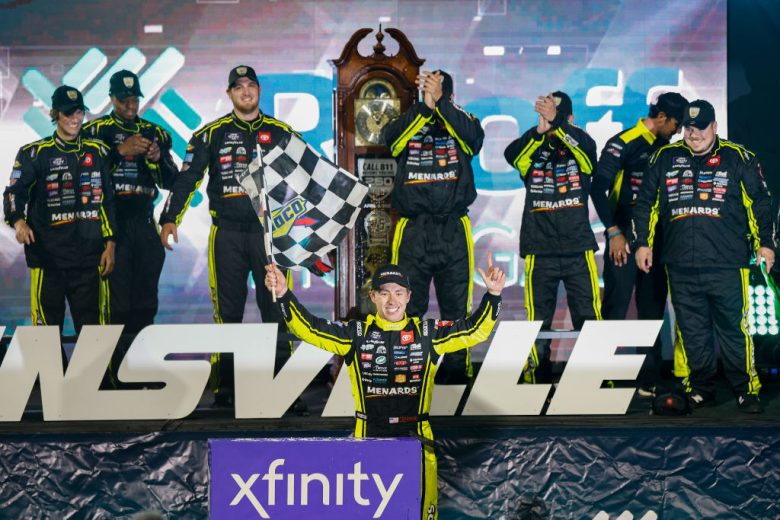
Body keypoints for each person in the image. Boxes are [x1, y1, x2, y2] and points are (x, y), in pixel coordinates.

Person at [264, 257, 505, 520]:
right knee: (372, 513)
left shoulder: (428, 333)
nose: (392, 300)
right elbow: (310, 329)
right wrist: (284, 294)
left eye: (399, 293)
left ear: (408, 296)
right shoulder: (355, 333)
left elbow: (475, 331)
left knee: (421, 514)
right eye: (385, 293)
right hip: (370, 435)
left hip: (416, 437)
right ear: (373, 296)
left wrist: (493, 295)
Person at [159, 65, 298, 407]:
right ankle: (224, 389)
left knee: (279, 309)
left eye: (251, 85)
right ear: (229, 93)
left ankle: (286, 388)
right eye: (238, 87)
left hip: (270, 235)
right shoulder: (211, 134)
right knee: (227, 312)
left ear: (259, 90)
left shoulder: (281, 132)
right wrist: (170, 218)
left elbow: (308, 178)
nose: (246, 91)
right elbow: (187, 178)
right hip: (227, 235)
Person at [633, 99, 774, 413]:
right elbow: (646, 203)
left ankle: (746, 390)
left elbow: (760, 203)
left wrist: (766, 243)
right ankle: (700, 389)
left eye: (699, 128)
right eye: (688, 128)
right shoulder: (665, 157)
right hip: (679, 262)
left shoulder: (738, 157)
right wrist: (642, 243)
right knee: (691, 331)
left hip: (728, 262)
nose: (693, 134)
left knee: (734, 329)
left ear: (714, 126)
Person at [381, 69, 485, 384]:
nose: (432, 93)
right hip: (413, 228)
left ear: (449, 94)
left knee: (456, 308)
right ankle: (407, 375)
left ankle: (456, 375)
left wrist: (442, 105)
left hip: (453, 226)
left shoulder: (464, 119)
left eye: (437, 89)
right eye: (427, 88)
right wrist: (425, 107)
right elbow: (391, 141)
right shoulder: (409, 120)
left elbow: (473, 140)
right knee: (405, 305)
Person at [3, 85, 116, 366]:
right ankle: (52, 386)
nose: (75, 119)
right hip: (47, 258)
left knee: (93, 331)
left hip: (88, 258)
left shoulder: (98, 151)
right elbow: (13, 193)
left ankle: (92, 384)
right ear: (55, 114)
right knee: (46, 333)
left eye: (79, 112)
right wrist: (18, 221)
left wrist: (110, 243)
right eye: (68, 113)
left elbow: (108, 201)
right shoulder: (34, 153)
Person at [590, 92, 688, 396]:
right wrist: (613, 232)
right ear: (662, 117)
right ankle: (600, 378)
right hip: (624, 237)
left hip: (657, 239)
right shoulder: (624, 141)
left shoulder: (668, 148)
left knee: (652, 307)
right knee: (615, 305)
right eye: (676, 125)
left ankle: (649, 379)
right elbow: (597, 188)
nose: (678, 132)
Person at [83, 70, 177, 385]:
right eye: (124, 100)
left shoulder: (155, 132)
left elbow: (171, 180)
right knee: (117, 304)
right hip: (111, 224)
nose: (130, 105)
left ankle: (142, 371)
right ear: (111, 98)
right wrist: (118, 152)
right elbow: (83, 175)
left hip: (144, 221)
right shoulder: (94, 131)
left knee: (146, 302)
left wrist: (156, 157)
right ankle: (114, 375)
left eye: (134, 99)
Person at [503, 91, 601, 384]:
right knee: (537, 321)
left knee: (588, 316)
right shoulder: (532, 149)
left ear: (569, 118)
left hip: (577, 248)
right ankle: (537, 377)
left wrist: (558, 124)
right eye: (545, 115)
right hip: (539, 248)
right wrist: (538, 132)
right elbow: (512, 155)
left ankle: (594, 379)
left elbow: (589, 155)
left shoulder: (582, 146)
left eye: (556, 116)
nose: (550, 122)